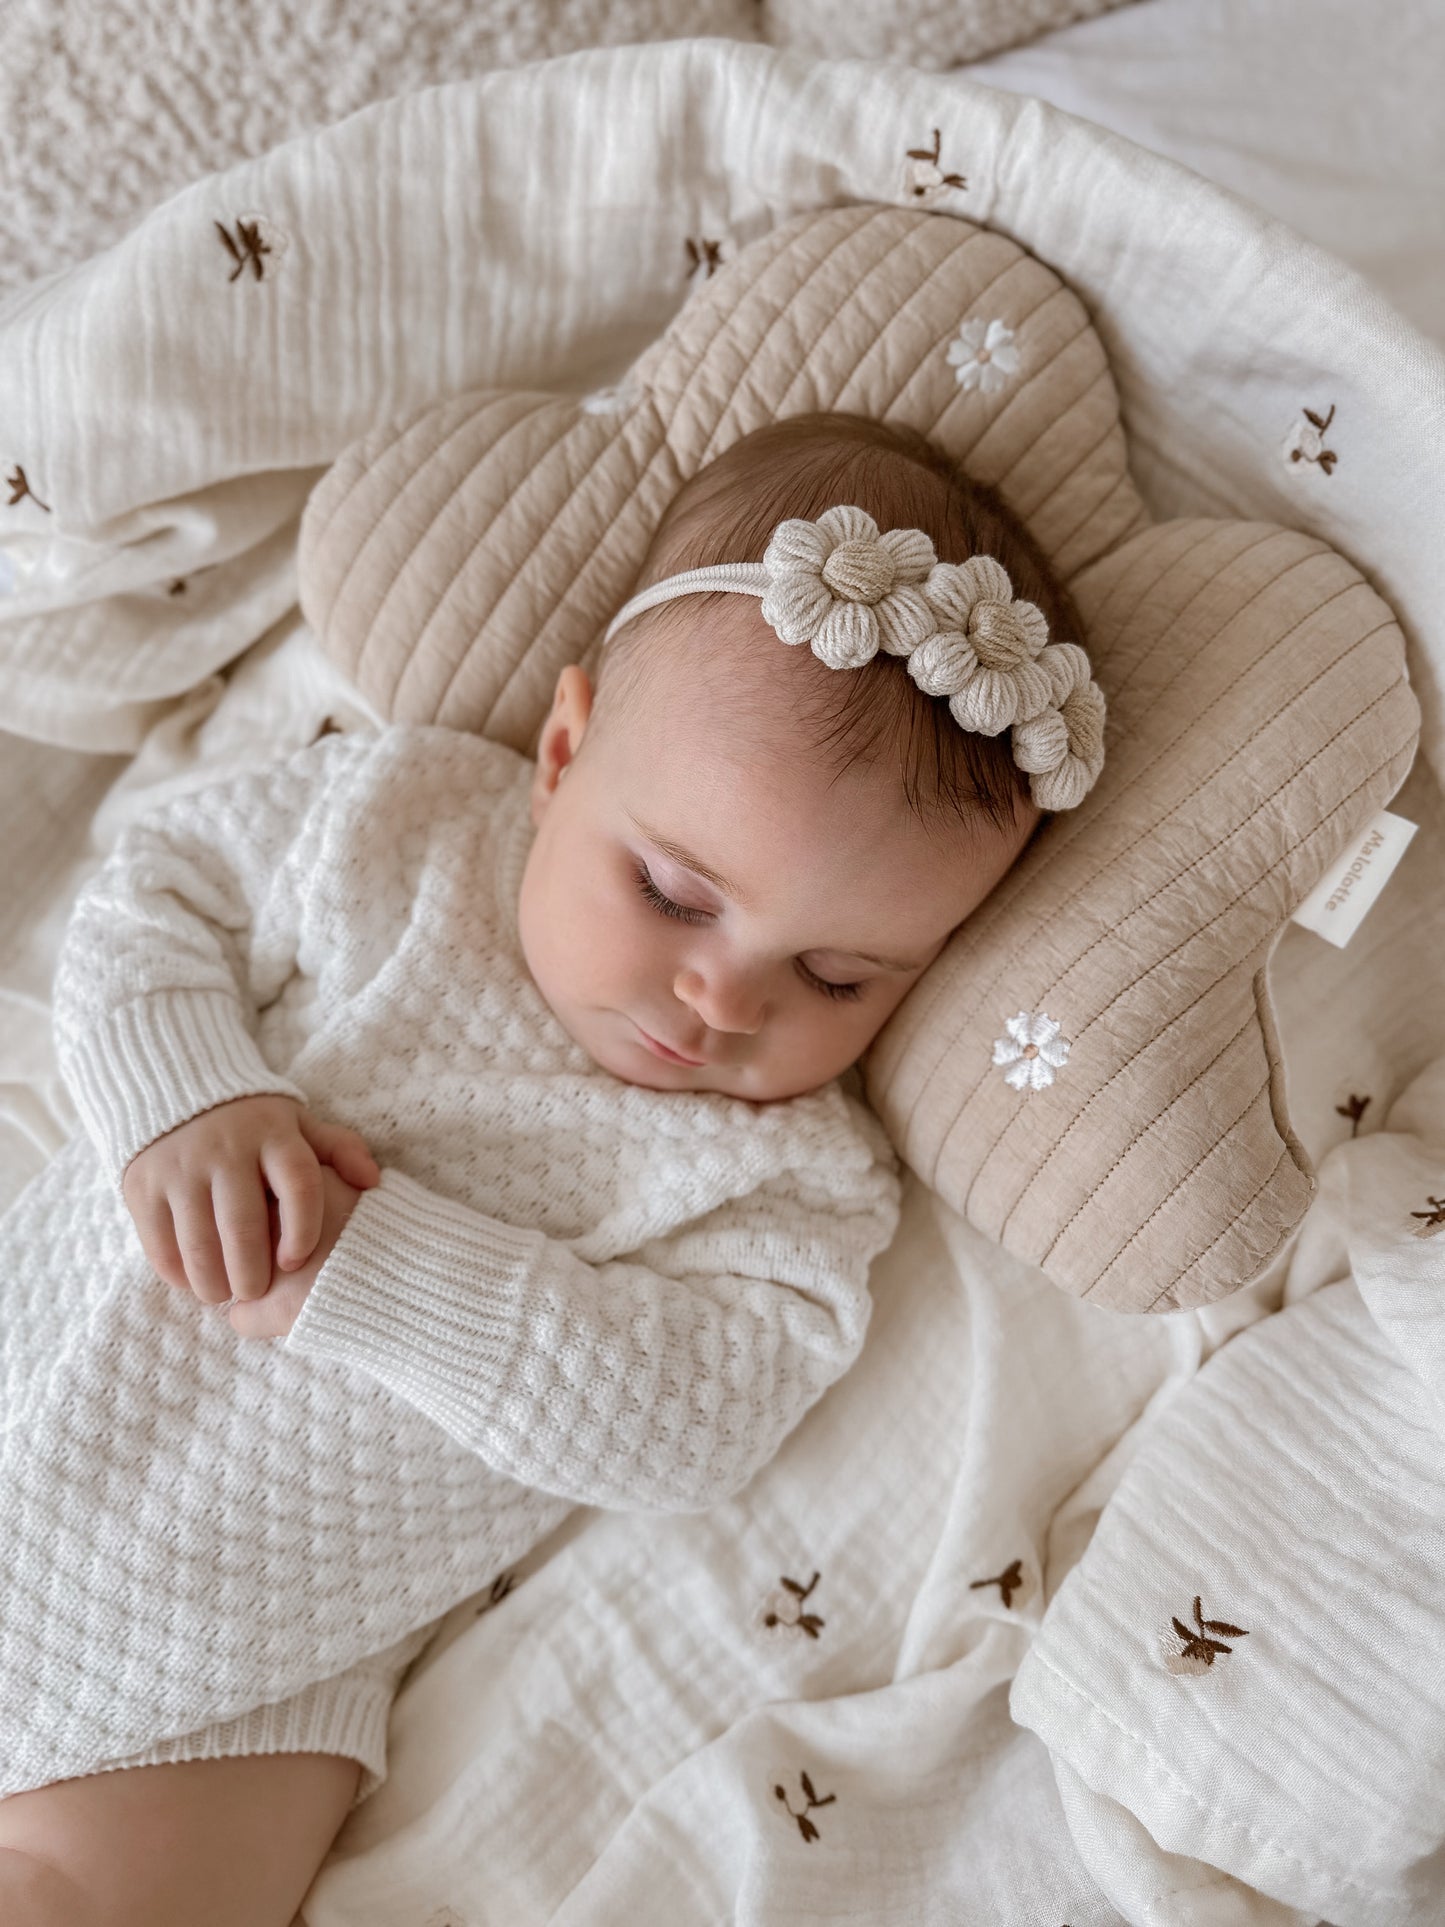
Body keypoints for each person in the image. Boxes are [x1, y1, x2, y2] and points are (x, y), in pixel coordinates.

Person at [0, 411, 1104, 1925]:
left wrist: (384, 1282)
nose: (722, 997)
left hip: (238, 1660)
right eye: (670, 890)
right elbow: (151, 899)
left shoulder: (792, 1183)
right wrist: (188, 1094)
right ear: (566, 754)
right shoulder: (401, 823)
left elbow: (682, 1422)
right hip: (36, 1353)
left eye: (839, 977)